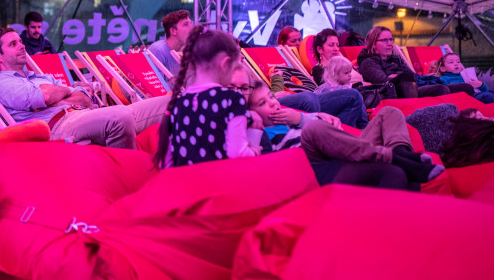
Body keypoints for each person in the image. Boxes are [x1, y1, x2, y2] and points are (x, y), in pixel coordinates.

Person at [0, 28, 169, 149]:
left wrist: (61, 95)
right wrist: (68, 90)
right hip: (60, 126)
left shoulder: (42, 78)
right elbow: (46, 96)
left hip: (85, 114)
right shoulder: (2, 84)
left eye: (20, 41)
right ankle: (128, 178)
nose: (22, 46)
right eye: (13, 44)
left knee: (170, 101)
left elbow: (84, 98)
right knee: (120, 115)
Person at [248, 81, 443, 185]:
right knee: (314, 129)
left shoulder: (292, 117)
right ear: (251, 113)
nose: (272, 103)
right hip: (321, 160)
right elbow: (314, 136)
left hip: (350, 146)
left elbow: (328, 126)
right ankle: (394, 158)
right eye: (262, 103)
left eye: (271, 97)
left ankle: (400, 152)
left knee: (390, 112)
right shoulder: (263, 136)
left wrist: (301, 118)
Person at [154, 27, 259, 168]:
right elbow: (237, 153)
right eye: (234, 67)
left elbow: (167, 163)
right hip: (218, 179)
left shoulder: (178, 103)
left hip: (185, 180)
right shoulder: (232, 99)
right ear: (225, 64)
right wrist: (254, 151)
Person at [358, 26, 472, 99]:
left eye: (391, 39)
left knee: (466, 87)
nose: (390, 43)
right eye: (384, 40)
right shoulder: (368, 62)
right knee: (441, 89)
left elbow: (412, 75)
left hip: (414, 86)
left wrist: (420, 77)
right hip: (399, 94)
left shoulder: (396, 59)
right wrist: (399, 77)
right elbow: (385, 82)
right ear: (373, 44)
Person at [147, 10, 192, 79]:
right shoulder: (158, 50)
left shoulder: (185, 51)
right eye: (186, 24)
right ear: (173, 31)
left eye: (191, 24)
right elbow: (156, 84)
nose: (191, 28)